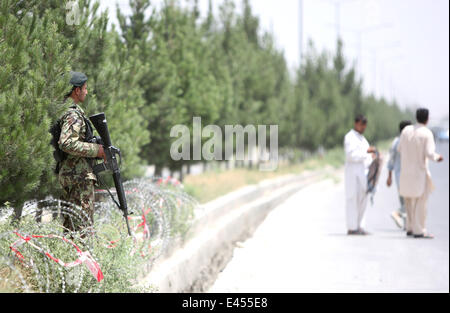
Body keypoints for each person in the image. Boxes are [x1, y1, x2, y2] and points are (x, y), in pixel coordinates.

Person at [58, 71, 106, 233]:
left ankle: (70, 256)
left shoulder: (65, 110)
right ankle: (79, 257)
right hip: (78, 177)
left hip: (72, 175)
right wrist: (96, 150)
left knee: (71, 229)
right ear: (76, 90)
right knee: (81, 230)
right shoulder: (73, 114)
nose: (86, 91)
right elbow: (67, 143)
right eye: (84, 88)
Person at [398, 108, 444, 239]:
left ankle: (410, 227)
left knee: (408, 200)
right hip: (419, 173)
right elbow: (430, 153)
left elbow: (399, 148)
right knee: (420, 202)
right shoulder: (427, 133)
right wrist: (437, 157)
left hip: (406, 172)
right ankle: (419, 230)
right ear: (427, 119)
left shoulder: (406, 131)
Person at [344, 115, 377, 235]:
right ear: (356, 123)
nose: (363, 127)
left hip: (363, 175)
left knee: (363, 202)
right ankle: (352, 227)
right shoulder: (349, 137)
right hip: (352, 175)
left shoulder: (363, 140)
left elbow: (366, 158)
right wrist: (366, 153)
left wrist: (372, 157)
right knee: (352, 200)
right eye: (361, 124)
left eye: (364, 125)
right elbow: (351, 156)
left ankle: (360, 226)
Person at [386, 120, 412, 229]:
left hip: (398, 176)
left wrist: (390, 176)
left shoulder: (396, 141)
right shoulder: (406, 141)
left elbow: (391, 160)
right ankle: (397, 213)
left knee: (404, 200)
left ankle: (407, 225)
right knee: (408, 200)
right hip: (407, 176)